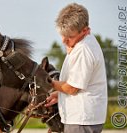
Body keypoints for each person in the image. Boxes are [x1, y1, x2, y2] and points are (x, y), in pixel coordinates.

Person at [45, 3, 107, 133]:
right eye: (63, 35)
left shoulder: (84, 50)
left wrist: (47, 81)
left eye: (69, 37)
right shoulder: (82, 43)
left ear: (85, 30)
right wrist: (59, 95)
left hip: (81, 120)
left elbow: (72, 88)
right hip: (83, 118)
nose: (64, 41)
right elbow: (78, 85)